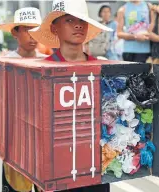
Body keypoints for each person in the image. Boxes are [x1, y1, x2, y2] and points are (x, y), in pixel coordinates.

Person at [29, 0, 111, 191]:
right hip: (55, 170)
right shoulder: (39, 71)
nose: (77, 25)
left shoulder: (104, 69)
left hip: (94, 168)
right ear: (54, 28)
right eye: (68, 20)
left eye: (82, 20)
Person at [0, 7, 46, 192]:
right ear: (14, 32)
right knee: (16, 187)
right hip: (15, 144)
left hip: (42, 143)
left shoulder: (48, 63)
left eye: (36, 30)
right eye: (26, 29)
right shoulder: (3, 63)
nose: (32, 36)